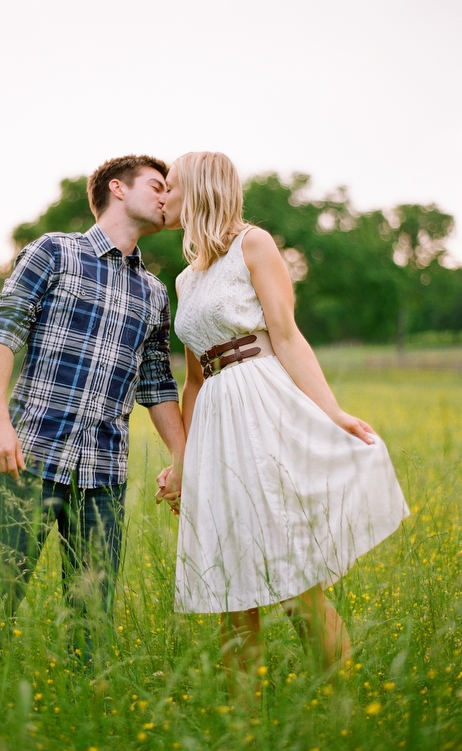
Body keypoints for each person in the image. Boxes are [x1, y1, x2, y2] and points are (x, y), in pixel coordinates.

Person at [156, 151, 409, 698]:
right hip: (216, 421)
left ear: (199, 189)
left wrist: (334, 412)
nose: (161, 196)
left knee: (291, 573)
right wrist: (184, 462)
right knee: (229, 580)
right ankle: (243, 720)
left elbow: (287, 335)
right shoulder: (184, 281)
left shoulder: (254, 243)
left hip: (261, 405)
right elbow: (195, 379)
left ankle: (344, 704)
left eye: (170, 186)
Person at [0, 154, 185, 657]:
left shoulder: (154, 292)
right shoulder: (55, 252)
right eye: (157, 185)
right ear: (117, 188)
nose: (166, 197)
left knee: (91, 618)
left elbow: (156, 386)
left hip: (104, 475)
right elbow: (3, 330)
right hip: (30, 456)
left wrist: (184, 459)